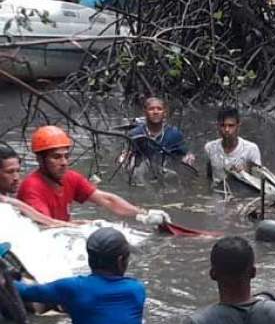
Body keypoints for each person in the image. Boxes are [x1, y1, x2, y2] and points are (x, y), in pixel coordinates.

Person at [14, 227, 146, 324]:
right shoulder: (137, 289)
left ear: (89, 258)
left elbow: (25, 291)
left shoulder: (72, 287)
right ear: (120, 260)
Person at [17, 126, 170, 226]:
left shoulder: (70, 177)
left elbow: (107, 200)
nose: (64, 162)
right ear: (40, 159)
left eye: (66, 156)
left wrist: (144, 214)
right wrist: (88, 225)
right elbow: (46, 225)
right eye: (56, 157)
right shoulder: (32, 188)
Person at [0, 142, 69, 227]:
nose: (16, 178)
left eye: (18, 171)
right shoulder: (7, 202)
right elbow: (47, 223)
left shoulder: (7, 203)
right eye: (9, 172)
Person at [125, 97, 196, 172]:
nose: (155, 112)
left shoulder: (174, 134)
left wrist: (189, 158)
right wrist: (124, 159)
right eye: (151, 109)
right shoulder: (135, 133)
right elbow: (127, 153)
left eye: (159, 109)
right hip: (142, 171)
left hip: (168, 171)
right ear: (145, 112)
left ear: (164, 113)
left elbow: (185, 153)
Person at [203, 106, 262, 184]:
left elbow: (260, 181)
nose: (227, 130)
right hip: (217, 192)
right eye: (223, 125)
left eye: (231, 126)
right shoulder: (210, 148)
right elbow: (208, 177)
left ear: (238, 126)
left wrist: (247, 170)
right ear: (217, 126)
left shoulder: (251, 149)